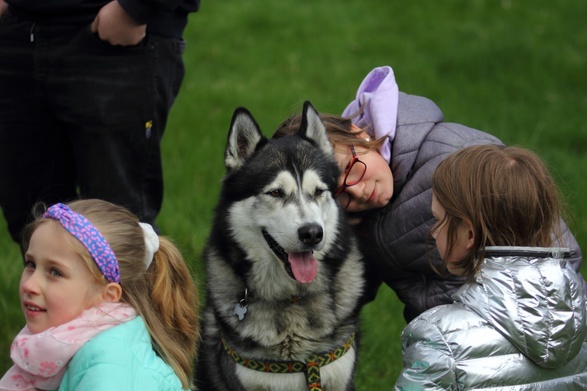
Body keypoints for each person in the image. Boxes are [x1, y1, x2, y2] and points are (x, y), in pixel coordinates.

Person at [273, 65, 584, 322]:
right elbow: (341, 294)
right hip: (439, 342)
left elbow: (559, 256)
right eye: (336, 194)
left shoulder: (457, 163)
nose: (358, 191)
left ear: (358, 132)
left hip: (517, 327)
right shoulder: (353, 220)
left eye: (351, 168)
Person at [0, 0, 200, 249]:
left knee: (117, 231)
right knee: (33, 224)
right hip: (18, 33)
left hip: (116, 37)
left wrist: (134, 9)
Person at [394, 144, 587, 389]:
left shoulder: (439, 337)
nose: (433, 232)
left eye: (438, 220)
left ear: (470, 234)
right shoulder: (580, 320)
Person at [0, 199, 200, 390]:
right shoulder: (74, 336)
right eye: (31, 264)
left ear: (107, 294)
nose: (30, 285)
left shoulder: (107, 359)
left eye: (55, 272)